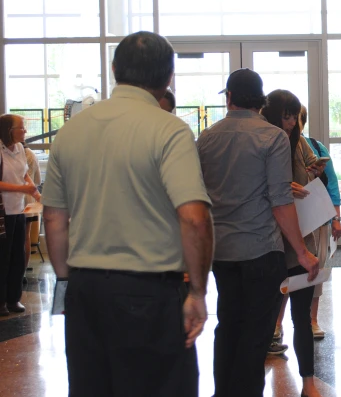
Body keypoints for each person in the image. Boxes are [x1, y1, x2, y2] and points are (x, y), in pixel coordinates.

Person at [42, 31, 214, 396]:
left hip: (86, 293)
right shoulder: (169, 130)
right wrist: (198, 291)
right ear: (168, 77)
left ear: (115, 68)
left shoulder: (71, 132)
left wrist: (68, 283)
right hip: (149, 295)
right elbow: (194, 217)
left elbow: (55, 219)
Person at [197, 69, 319, 397]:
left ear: (229, 98)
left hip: (222, 252)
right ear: (261, 101)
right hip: (262, 251)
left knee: (227, 326)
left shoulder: (206, 138)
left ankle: (223, 391)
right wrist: (303, 252)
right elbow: (281, 202)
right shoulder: (273, 138)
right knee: (256, 333)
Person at [261, 89, 327, 397]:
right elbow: (255, 185)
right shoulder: (262, 140)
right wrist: (285, 187)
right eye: (285, 115)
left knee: (301, 316)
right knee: (264, 315)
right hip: (271, 241)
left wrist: (315, 171)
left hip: (302, 236)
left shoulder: (297, 141)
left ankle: (308, 383)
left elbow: (312, 169)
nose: (290, 122)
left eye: (293, 115)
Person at [300, 105, 341, 340]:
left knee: (318, 266)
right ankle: (277, 324)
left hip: (317, 217)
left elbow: (332, 185)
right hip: (288, 217)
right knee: (284, 271)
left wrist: (336, 218)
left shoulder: (316, 147)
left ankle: (313, 320)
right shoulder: (276, 145)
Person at [0, 115, 40, 316]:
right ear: (8, 130)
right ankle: (1, 301)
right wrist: (21, 189)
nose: (24, 131)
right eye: (21, 128)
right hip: (3, 213)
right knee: (3, 258)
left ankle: (13, 298)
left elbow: (24, 174)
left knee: (17, 257)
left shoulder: (21, 150)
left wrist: (34, 192)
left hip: (18, 210)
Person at [23, 143, 42, 280]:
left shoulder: (10, 153)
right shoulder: (31, 154)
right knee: (26, 236)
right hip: (29, 198)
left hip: (14, 197)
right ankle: (22, 270)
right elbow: (38, 180)